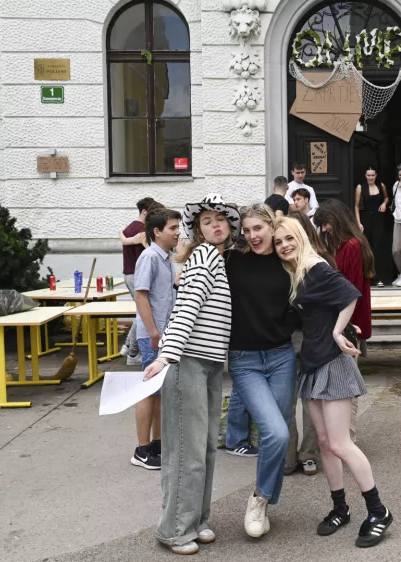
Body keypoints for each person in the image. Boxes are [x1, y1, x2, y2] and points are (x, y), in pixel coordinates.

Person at [273, 216, 393, 548]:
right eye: (278, 242)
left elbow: (350, 294)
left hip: (333, 363)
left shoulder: (315, 267)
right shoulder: (297, 272)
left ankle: (378, 511)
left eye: (288, 239)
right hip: (312, 363)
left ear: (300, 237)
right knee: (325, 443)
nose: (283, 245)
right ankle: (340, 508)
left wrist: (339, 331)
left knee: (341, 444)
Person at [142, 194, 237, 555]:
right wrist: (167, 357)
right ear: (197, 230)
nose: (215, 225)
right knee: (186, 452)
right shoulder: (204, 256)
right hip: (188, 362)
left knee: (203, 448)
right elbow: (186, 309)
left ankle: (195, 520)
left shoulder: (216, 259)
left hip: (209, 364)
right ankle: (175, 530)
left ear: (230, 227)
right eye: (207, 221)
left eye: (221, 220)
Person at [226, 204, 300, 538]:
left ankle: (262, 497)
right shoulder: (232, 261)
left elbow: (310, 297)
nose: (252, 235)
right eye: (247, 230)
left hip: (283, 357)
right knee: (277, 433)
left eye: (258, 228)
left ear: (272, 227)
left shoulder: (288, 261)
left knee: (277, 434)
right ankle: (259, 499)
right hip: (245, 360)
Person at [314, 200, 373, 441]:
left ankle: (347, 440)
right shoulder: (350, 243)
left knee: (346, 386)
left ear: (337, 219)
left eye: (326, 223)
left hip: (348, 324)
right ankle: (345, 439)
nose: (325, 229)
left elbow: (350, 290)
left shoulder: (351, 245)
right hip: (348, 322)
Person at [130, 209, 181, 470]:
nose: (177, 232)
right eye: (172, 228)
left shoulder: (166, 258)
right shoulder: (149, 257)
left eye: (178, 227)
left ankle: (157, 443)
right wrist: (152, 333)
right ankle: (141, 449)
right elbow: (141, 296)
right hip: (154, 335)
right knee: (148, 392)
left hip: (163, 334)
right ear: (157, 231)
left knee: (160, 394)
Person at [284, 211, 333, 477]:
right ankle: (291, 456)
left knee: (309, 400)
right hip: (286, 339)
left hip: (311, 338)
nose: (284, 244)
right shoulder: (281, 264)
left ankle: (307, 454)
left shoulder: (318, 263)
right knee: (288, 400)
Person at [121, 197, 157, 366]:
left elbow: (122, 238)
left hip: (129, 273)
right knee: (144, 312)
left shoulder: (128, 228)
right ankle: (132, 351)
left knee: (141, 311)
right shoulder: (142, 229)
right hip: (137, 274)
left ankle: (128, 347)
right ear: (144, 211)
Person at [355, 166, 392, 287]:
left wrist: (384, 203)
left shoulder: (381, 186)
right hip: (366, 220)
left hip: (379, 220)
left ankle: (379, 277)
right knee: (366, 249)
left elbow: (387, 198)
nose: (370, 177)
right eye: (368, 175)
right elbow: (356, 206)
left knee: (378, 248)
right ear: (365, 176)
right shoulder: (360, 187)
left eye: (372, 175)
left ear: (375, 175)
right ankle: (366, 276)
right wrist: (358, 222)